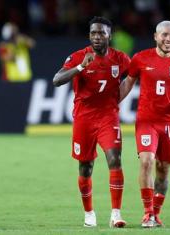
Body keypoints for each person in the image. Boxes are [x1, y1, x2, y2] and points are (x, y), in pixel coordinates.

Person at [119, 20, 170, 228]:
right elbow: (128, 83)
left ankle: (156, 213)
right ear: (155, 36)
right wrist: (112, 104)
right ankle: (147, 213)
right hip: (146, 120)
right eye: (164, 35)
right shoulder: (140, 58)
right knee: (146, 161)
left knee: (163, 169)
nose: (168, 39)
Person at [53, 16, 130, 228]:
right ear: (89, 35)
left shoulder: (120, 58)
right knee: (85, 168)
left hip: (108, 117)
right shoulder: (79, 56)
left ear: (109, 35)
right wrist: (79, 68)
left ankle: (116, 214)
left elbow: (134, 75)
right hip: (84, 119)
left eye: (101, 33)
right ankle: (89, 214)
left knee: (115, 159)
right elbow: (56, 80)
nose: (97, 37)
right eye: (93, 33)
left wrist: (119, 97)